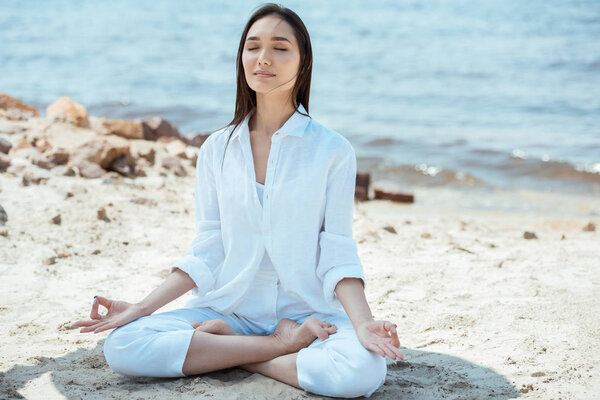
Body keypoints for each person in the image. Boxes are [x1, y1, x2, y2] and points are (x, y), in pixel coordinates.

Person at [73, 3, 403, 398]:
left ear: (304, 63)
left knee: (358, 374)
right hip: (230, 309)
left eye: (280, 48)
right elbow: (210, 247)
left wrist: (363, 322)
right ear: (241, 57)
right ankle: (277, 347)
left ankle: (236, 352)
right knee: (123, 346)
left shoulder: (332, 150)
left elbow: (337, 249)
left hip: (308, 313)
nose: (263, 58)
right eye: (253, 46)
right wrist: (142, 308)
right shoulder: (217, 149)